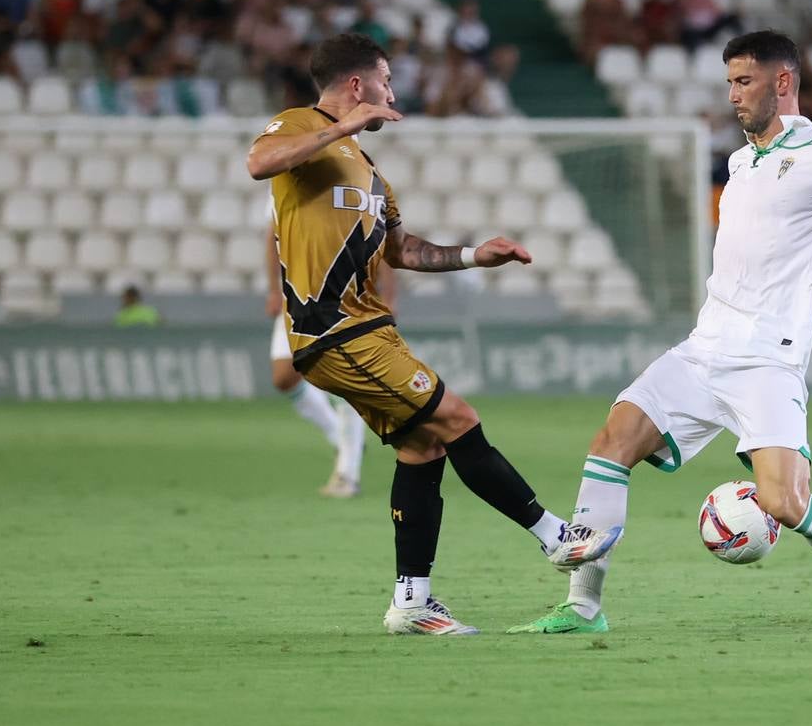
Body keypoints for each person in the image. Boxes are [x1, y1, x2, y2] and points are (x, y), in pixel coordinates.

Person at [509, 31, 812, 636]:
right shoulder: (741, 159)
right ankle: (583, 607)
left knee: (785, 504)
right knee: (613, 440)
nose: (732, 96)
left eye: (743, 82)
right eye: (728, 83)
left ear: (783, 82)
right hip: (704, 348)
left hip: (768, 360)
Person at [245, 33, 619, 635]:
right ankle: (555, 537)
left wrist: (475, 254)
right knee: (460, 418)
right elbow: (259, 164)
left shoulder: (370, 173)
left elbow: (403, 251)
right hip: (335, 332)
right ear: (358, 86)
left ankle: (412, 602)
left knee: (424, 448)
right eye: (386, 82)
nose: (393, 94)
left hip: (372, 330)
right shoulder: (297, 125)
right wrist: (342, 127)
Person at [264, 207, 375, 498]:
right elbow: (272, 236)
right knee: (283, 377)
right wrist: (273, 290)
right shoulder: (285, 174)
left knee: (345, 379)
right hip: (295, 294)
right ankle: (339, 436)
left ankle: (346, 474)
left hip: (339, 293)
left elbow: (378, 234)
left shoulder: (347, 175)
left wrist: (387, 293)